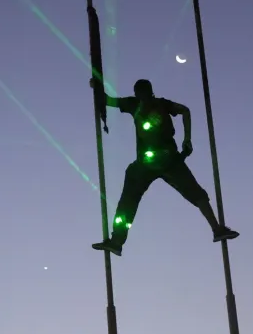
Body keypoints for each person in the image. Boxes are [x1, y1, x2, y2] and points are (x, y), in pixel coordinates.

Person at [92, 78, 239, 256]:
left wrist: (187, 139)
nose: (143, 98)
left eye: (144, 93)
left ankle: (217, 229)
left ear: (149, 92)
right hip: (146, 163)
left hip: (168, 159)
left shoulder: (161, 104)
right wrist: (97, 88)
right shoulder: (133, 103)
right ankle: (117, 240)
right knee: (128, 200)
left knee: (195, 192)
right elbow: (109, 101)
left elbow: (185, 111)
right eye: (140, 94)